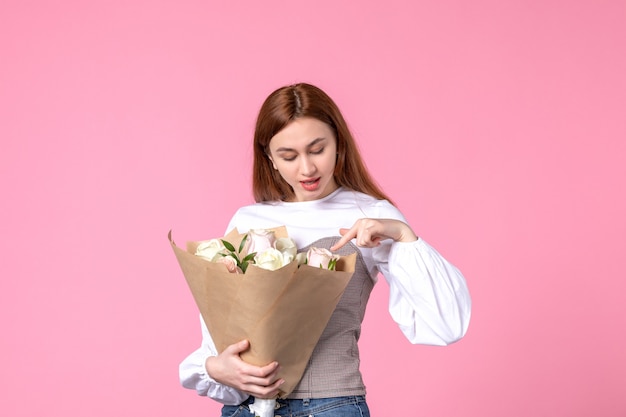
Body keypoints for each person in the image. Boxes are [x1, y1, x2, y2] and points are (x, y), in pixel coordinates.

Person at [179, 83, 471, 417]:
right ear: (270, 158)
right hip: (246, 410)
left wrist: (402, 234)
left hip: (330, 406)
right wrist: (217, 369)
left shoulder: (370, 215)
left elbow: (446, 325)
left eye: (317, 149)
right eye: (288, 156)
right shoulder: (248, 222)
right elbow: (217, 339)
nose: (306, 169)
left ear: (338, 144)